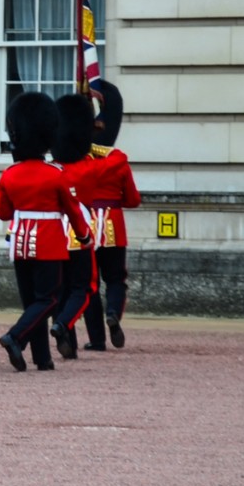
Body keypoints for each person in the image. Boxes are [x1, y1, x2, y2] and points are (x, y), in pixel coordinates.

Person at [0, 91, 92, 372]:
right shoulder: (55, 173)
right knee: (48, 299)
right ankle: (14, 337)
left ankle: (42, 358)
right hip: (48, 242)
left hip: (20, 242)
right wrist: (84, 237)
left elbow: (3, 213)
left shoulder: (9, 174)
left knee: (31, 302)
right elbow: (73, 211)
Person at [79, 80, 141, 349]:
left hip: (85, 225)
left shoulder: (80, 160)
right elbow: (133, 199)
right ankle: (113, 312)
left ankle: (97, 340)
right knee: (115, 278)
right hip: (113, 223)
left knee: (88, 283)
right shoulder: (119, 162)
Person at [50, 92, 101, 362]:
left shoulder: (52, 169)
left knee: (60, 289)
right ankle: (64, 325)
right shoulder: (91, 167)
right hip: (80, 231)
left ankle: (66, 338)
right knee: (84, 287)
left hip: (55, 233)